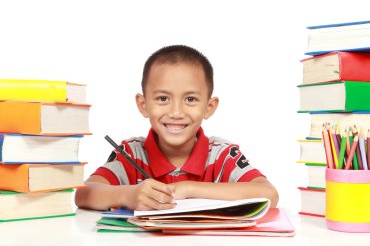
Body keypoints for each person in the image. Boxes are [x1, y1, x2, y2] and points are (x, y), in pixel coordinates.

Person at [75, 45, 279, 211]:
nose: (176, 112)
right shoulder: (130, 152)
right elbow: (83, 193)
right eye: (163, 98)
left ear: (209, 107)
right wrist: (129, 195)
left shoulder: (222, 155)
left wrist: (188, 189)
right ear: (143, 105)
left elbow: (269, 194)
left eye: (190, 99)